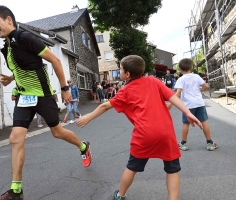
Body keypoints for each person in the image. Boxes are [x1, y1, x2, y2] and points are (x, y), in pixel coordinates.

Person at [0, 6, 92, 200]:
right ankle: (16, 191)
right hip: (24, 97)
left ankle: (83, 147)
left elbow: (55, 61)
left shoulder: (26, 38)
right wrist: (11, 79)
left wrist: (64, 88)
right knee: (15, 139)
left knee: (57, 131)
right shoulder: (7, 45)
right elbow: (24, 67)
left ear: (8, 19)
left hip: (43, 95)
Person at [76, 55, 203, 200]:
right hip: (165, 132)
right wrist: (187, 112)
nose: (120, 71)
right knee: (172, 169)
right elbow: (172, 97)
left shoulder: (125, 91)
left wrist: (87, 117)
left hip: (144, 135)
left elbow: (105, 106)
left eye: (120, 69)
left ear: (127, 74)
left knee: (132, 167)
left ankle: (120, 195)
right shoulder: (153, 81)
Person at [167, 58, 218, 151]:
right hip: (199, 103)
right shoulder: (196, 76)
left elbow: (178, 93)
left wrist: (171, 104)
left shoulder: (181, 79)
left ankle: (183, 143)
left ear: (179, 68)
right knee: (204, 122)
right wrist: (200, 90)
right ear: (191, 67)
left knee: (186, 123)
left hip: (188, 105)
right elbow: (206, 86)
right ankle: (210, 143)